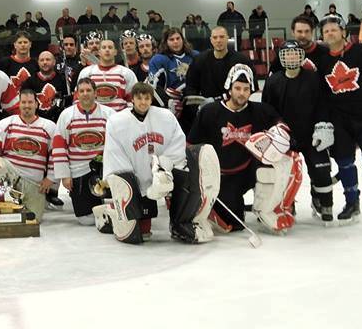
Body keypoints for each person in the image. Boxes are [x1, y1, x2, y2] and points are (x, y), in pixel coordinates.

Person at [96, 82, 218, 244]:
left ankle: (181, 223)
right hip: (134, 179)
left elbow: (177, 146)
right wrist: (127, 182)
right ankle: (111, 212)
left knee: (186, 175)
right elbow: (115, 155)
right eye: (139, 98)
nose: (143, 102)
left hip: (161, 174)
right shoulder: (117, 122)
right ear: (132, 99)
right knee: (142, 232)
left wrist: (163, 168)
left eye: (147, 98)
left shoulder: (165, 117)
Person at [187, 64, 302, 234]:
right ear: (229, 88)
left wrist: (282, 135)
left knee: (282, 159)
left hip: (249, 169)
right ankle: (218, 207)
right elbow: (192, 147)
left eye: (246, 89)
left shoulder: (261, 111)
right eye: (238, 88)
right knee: (234, 224)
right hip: (222, 176)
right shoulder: (209, 112)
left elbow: (281, 126)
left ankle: (271, 207)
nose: (242, 93)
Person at [310, 14, 362, 225]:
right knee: (345, 163)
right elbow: (321, 94)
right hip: (339, 121)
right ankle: (351, 202)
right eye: (326, 31)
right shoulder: (322, 62)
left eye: (334, 30)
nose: (330, 33)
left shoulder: (361, 51)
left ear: (343, 32)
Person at [262, 41, 335, 223]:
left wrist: (323, 125)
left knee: (321, 170)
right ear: (282, 58)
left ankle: (323, 202)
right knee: (283, 174)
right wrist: (273, 131)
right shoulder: (273, 81)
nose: (291, 57)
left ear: (301, 57)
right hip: (284, 139)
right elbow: (267, 110)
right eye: (287, 54)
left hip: (311, 136)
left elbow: (322, 105)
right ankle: (287, 203)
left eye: (295, 53)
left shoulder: (313, 78)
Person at [0, 89, 56, 221]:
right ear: (19, 104)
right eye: (23, 102)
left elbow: (56, 154)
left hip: (33, 181)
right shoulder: (7, 123)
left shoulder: (49, 127)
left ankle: (19, 206)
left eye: (30, 102)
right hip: (11, 172)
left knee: (33, 219)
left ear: (37, 104)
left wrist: (50, 178)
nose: (27, 105)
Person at [51, 78, 115, 225]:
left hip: (104, 169)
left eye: (89, 90)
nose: (85, 94)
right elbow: (59, 147)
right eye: (82, 91)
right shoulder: (67, 115)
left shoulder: (109, 114)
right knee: (85, 219)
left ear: (96, 93)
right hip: (78, 170)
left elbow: (118, 144)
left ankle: (113, 209)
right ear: (77, 94)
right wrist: (65, 176)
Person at [183, 26, 254, 110]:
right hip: (207, 109)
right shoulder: (199, 60)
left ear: (227, 38)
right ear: (211, 40)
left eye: (222, 37)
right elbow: (191, 86)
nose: (218, 40)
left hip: (234, 108)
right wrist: (196, 107)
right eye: (215, 37)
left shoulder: (241, 60)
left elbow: (251, 87)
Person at [147, 27, 199, 122]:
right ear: (166, 42)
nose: (175, 42)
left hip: (193, 104)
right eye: (171, 39)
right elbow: (153, 87)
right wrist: (168, 102)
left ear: (183, 39)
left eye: (178, 38)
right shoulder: (158, 59)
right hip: (169, 107)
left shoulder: (195, 56)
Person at [77, 39, 138, 111]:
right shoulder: (87, 72)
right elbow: (78, 99)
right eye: (104, 47)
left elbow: (134, 100)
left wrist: (125, 117)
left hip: (118, 119)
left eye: (110, 47)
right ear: (99, 52)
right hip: (95, 119)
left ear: (115, 52)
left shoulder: (126, 73)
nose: (107, 50)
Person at [23, 50, 69, 123]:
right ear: (38, 62)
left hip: (58, 121)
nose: (44, 62)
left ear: (54, 62)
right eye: (42, 60)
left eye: (48, 59)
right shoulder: (30, 81)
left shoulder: (63, 80)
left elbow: (67, 102)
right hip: (36, 123)